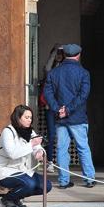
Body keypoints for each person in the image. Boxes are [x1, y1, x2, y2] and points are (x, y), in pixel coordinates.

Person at [43, 43, 97, 188]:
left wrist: (57, 109)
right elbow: (83, 95)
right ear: (78, 55)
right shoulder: (83, 73)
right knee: (83, 148)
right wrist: (68, 109)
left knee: (61, 149)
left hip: (60, 118)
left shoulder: (54, 73)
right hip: (77, 117)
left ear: (64, 55)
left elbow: (47, 93)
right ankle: (89, 179)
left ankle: (63, 180)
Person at [0, 105, 52, 207]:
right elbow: (12, 154)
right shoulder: (8, 132)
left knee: (46, 185)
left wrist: (39, 152)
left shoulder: (30, 131)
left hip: (22, 170)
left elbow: (37, 146)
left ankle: (16, 197)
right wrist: (32, 144)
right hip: (4, 170)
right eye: (26, 117)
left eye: (30, 118)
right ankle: (7, 199)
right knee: (29, 184)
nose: (29, 120)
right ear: (18, 118)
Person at [41, 44, 65, 173]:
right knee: (51, 134)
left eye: (61, 54)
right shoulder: (51, 70)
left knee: (63, 135)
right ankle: (50, 161)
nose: (59, 56)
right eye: (57, 54)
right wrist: (54, 50)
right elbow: (47, 68)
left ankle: (62, 162)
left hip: (63, 107)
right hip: (50, 107)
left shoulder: (65, 68)